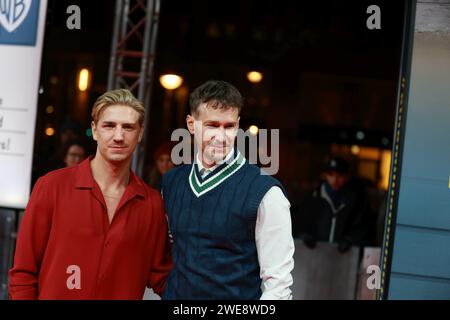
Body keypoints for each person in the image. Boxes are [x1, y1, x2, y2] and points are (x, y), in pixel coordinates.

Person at [9, 89, 172, 299]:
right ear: (95, 130)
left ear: (140, 133)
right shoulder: (52, 187)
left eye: (128, 127)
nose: (119, 136)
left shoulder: (152, 204)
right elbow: (24, 272)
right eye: (109, 126)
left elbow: (163, 277)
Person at [161, 80, 294, 300]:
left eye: (229, 126)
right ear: (192, 124)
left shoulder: (266, 192)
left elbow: (278, 284)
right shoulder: (171, 182)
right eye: (212, 125)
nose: (221, 136)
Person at [298, 157, 369, 252]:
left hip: (342, 257)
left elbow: (360, 227)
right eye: (330, 174)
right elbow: (301, 222)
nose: (335, 179)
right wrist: (305, 235)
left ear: (347, 177)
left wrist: (350, 239)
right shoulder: (313, 197)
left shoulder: (355, 201)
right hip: (313, 254)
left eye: (340, 175)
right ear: (325, 175)